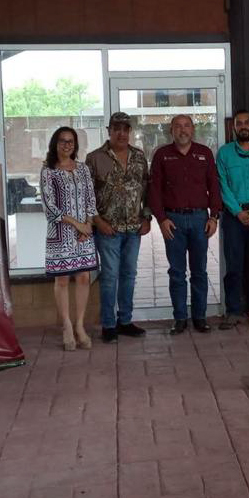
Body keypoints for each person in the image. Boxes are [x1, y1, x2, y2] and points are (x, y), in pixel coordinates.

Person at [148, 114, 223, 335]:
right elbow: (154, 191)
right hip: (173, 221)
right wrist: (161, 219)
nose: (183, 130)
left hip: (200, 220)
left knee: (199, 271)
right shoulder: (162, 155)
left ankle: (200, 317)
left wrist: (214, 217)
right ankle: (180, 318)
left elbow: (214, 186)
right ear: (171, 130)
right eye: (178, 126)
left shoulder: (204, 153)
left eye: (187, 126)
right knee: (177, 272)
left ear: (193, 129)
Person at [86, 112, 151, 344]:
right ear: (109, 131)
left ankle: (125, 321)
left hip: (134, 228)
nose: (121, 133)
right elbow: (87, 195)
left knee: (129, 275)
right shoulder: (94, 158)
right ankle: (108, 324)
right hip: (108, 229)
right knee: (110, 276)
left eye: (125, 129)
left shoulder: (139, 157)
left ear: (130, 131)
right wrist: (98, 221)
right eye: (117, 129)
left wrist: (147, 217)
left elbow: (147, 189)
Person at [41, 126, 98, 351]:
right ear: (55, 144)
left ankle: (79, 325)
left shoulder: (83, 169)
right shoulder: (48, 171)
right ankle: (66, 325)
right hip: (60, 235)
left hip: (84, 235)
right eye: (63, 141)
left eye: (71, 141)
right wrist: (77, 224)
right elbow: (49, 207)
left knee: (83, 277)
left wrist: (88, 225)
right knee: (62, 280)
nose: (67, 145)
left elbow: (91, 199)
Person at [216, 109, 249, 329]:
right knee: (234, 265)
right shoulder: (224, 153)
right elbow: (222, 184)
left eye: (247, 122)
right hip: (233, 217)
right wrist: (237, 211)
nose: (243, 126)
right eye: (239, 123)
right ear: (234, 128)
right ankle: (233, 311)